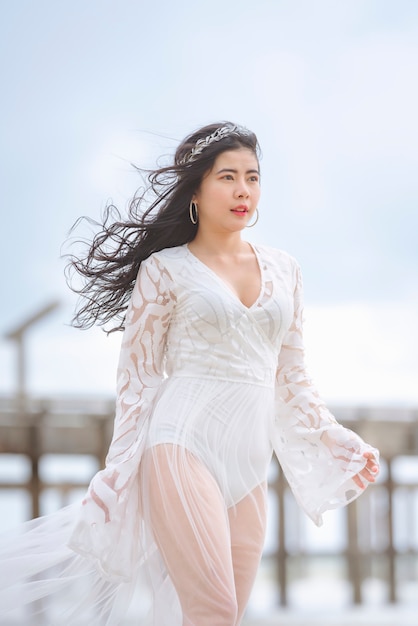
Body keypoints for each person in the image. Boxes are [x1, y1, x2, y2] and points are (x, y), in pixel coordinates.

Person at [0, 122, 379, 625]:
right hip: (181, 442)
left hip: (249, 457)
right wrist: (119, 469)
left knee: (227, 616)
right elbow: (136, 381)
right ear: (196, 190)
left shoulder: (287, 269)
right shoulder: (165, 269)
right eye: (227, 177)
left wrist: (333, 435)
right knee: (214, 608)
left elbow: (293, 374)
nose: (243, 189)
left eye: (252, 177)